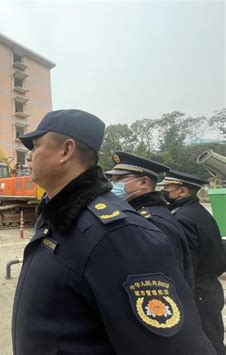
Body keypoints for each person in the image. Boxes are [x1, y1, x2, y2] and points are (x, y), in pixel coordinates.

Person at [12, 109, 214, 354]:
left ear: (66, 150)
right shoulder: (57, 213)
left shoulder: (118, 234)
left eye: (35, 146)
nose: (29, 157)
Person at [105, 151, 194, 287]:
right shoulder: (138, 213)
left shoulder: (154, 222)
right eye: (112, 180)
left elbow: (163, 281)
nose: (112, 185)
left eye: (118, 180)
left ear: (144, 182)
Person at [160, 170, 224, 354]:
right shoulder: (195, 211)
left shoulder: (183, 218)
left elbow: (189, 263)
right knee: (214, 339)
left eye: (167, 188)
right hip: (208, 287)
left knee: (208, 344)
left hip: (198, 291)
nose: (164, 191)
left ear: (182, 191)